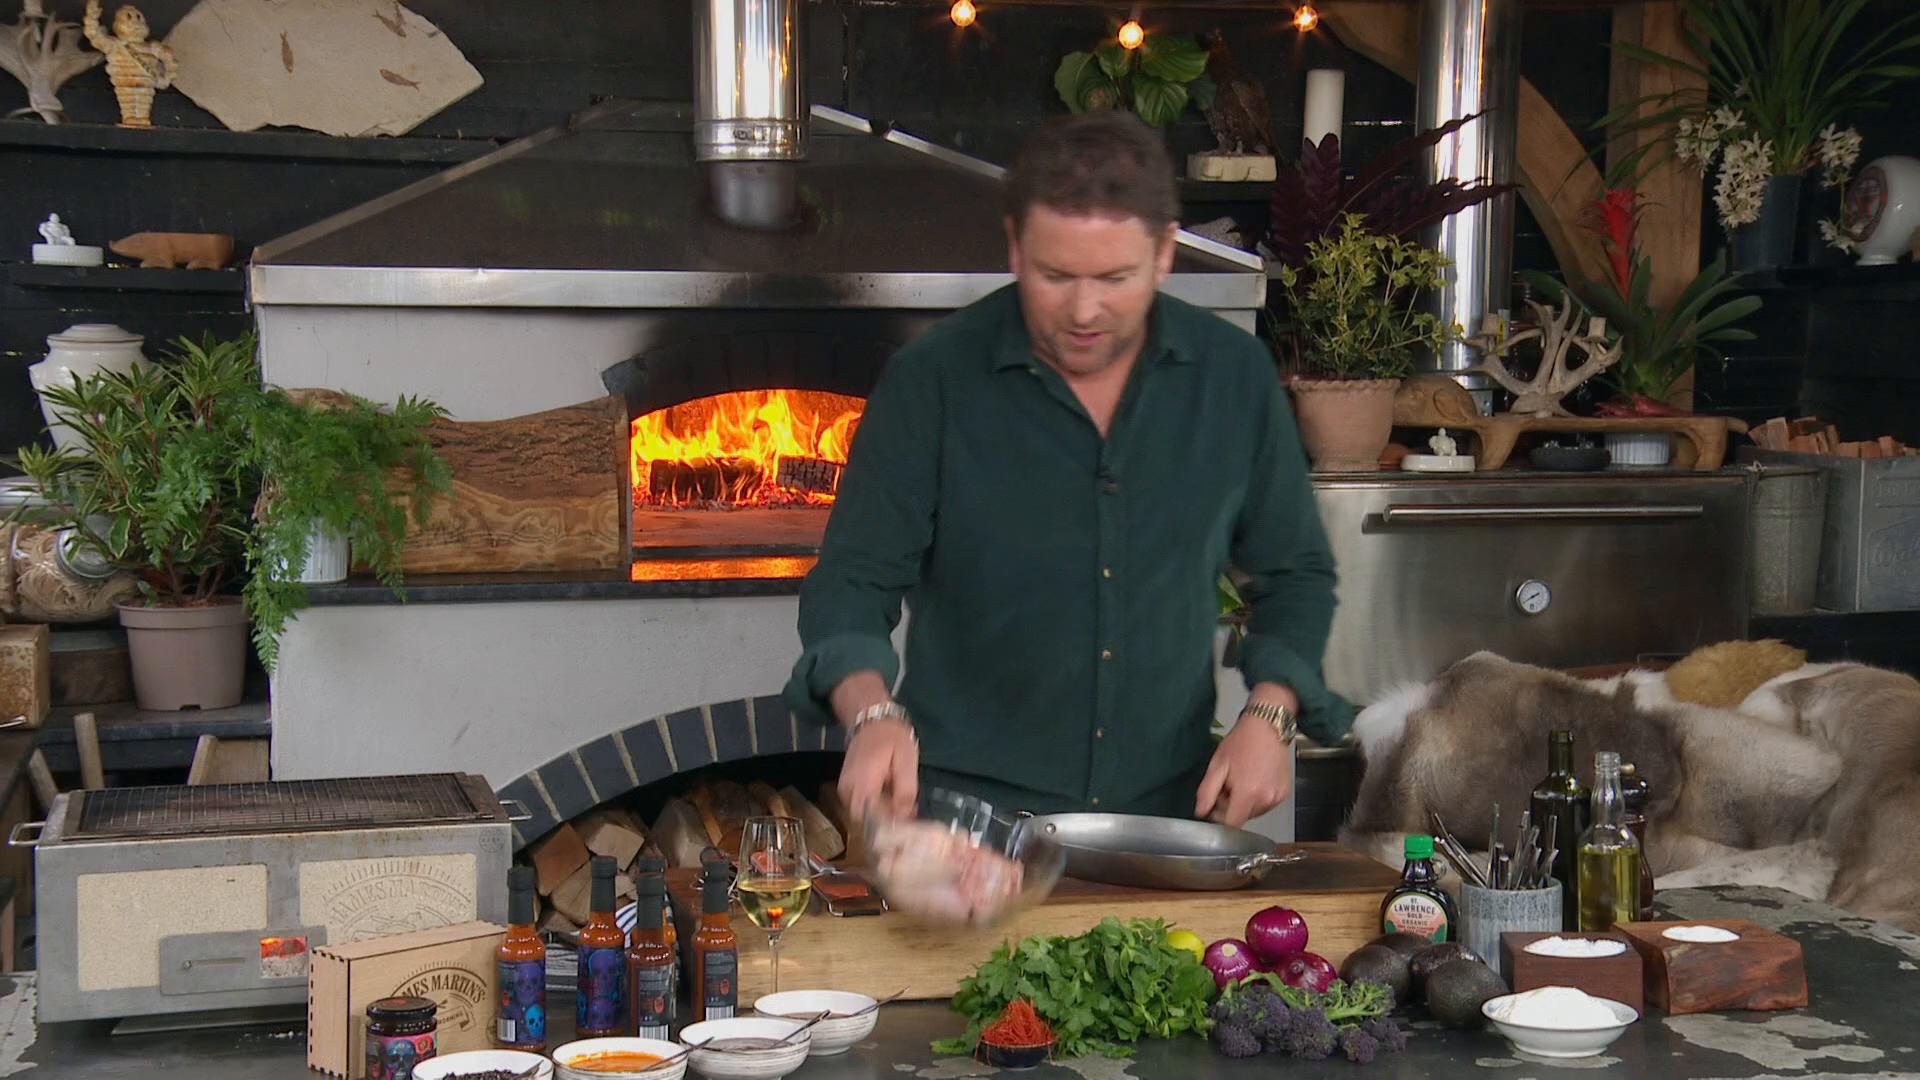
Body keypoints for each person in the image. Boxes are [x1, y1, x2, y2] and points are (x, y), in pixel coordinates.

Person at [783, 110, 1345, 828]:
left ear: (1164, 253)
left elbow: (1296, 574)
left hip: (1167, 817)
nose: (1084, 310)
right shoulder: (933, 380)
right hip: (969, 821)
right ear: (1016, 248)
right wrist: (871, 713)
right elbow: (852, 581)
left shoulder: (1231, 377)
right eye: (1056, 276)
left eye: (1115, 277)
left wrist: (1271, 712)